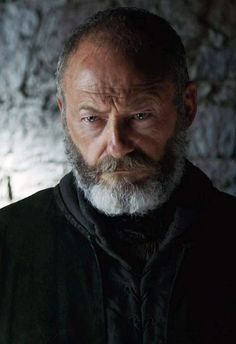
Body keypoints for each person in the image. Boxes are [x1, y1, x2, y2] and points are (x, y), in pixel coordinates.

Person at [0, 7, 235, 344]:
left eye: (140, 115)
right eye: (92, 119)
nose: (117, 145)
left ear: (186, 107)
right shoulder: (7, 246)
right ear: (64, 116)